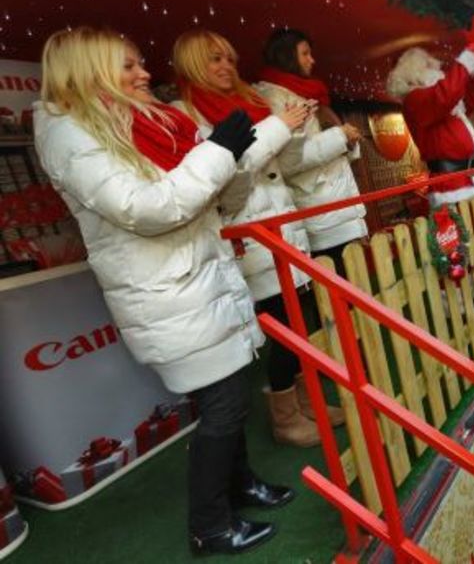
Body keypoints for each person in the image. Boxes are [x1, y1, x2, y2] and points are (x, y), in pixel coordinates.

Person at [34, 27, 292, 555]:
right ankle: (209, 525)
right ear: (89, 72)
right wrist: (220, 153)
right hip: (169, 293)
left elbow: (216, 199)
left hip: (199, 279)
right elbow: (149, 209)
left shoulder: (144, 124)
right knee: (223, 406)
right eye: (127, 66)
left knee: (230, 398)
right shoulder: (71, 134)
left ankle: (239, 485)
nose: (144, 73)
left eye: (140, 63)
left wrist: (236, 153)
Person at [172, 29, 325, 448]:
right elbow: (226, 187)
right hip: (251, 238)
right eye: (213, 60)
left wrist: (296, 128)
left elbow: (287, 166)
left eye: (229, 59)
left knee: (302, 323)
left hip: (285, 224)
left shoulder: (254, 103)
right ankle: (286, 419)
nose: (225, 68)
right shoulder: (186, 115)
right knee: (285, 331)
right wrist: (278, 128)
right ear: (190, 65)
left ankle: (307, 403)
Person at [255, 28, 367, 275]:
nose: (312, 60)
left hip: (337, 202)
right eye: (305, 54)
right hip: (320, 209)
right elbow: (286, 162)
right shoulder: (272, 98)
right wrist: (338, 137)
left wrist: (347, 141)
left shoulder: (310, 91)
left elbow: (326, 145)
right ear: (287, 57)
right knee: (339, 288)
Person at [385, 13, 474, 205]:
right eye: (428, 64)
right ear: (414, 73)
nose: (436, 67)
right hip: (450, 185)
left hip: (469, 176)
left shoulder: (441, 99)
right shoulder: (415, 100)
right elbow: (445, 96)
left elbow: (470, 100)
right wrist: (469, 57)